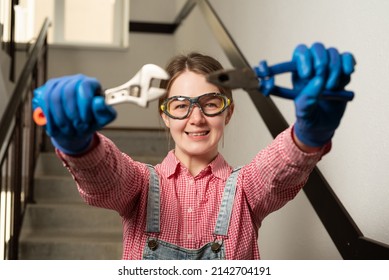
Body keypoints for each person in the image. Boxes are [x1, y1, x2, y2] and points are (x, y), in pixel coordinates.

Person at [32, 42, 355, 260]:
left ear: (228, 112)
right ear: (164, 113)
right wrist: (78, 146)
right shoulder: (139, 184)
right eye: (180, 105)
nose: (196, 118)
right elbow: (105, 176)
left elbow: (279, 169)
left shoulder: (246, 189)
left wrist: (308, 135)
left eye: (210, 104)